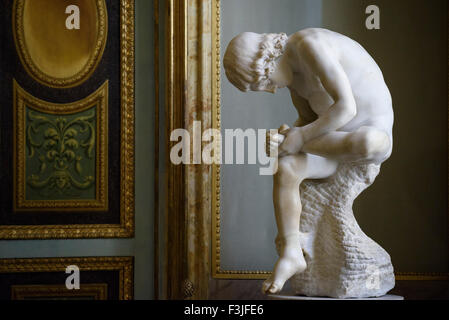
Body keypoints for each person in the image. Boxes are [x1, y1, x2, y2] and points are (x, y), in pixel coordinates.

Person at [223, 28, 394, 294]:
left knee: (369, 142)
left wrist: (296, 138)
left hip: (369, 136)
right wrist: (292, 139)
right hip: (334, 146)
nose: (270, 91)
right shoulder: (295, 82)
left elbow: (346, 108)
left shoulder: (308, 45)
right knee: (287, 166)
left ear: (266, 60)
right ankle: (291, 251)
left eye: (265, 81)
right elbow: (308, 124)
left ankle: (285, 141)